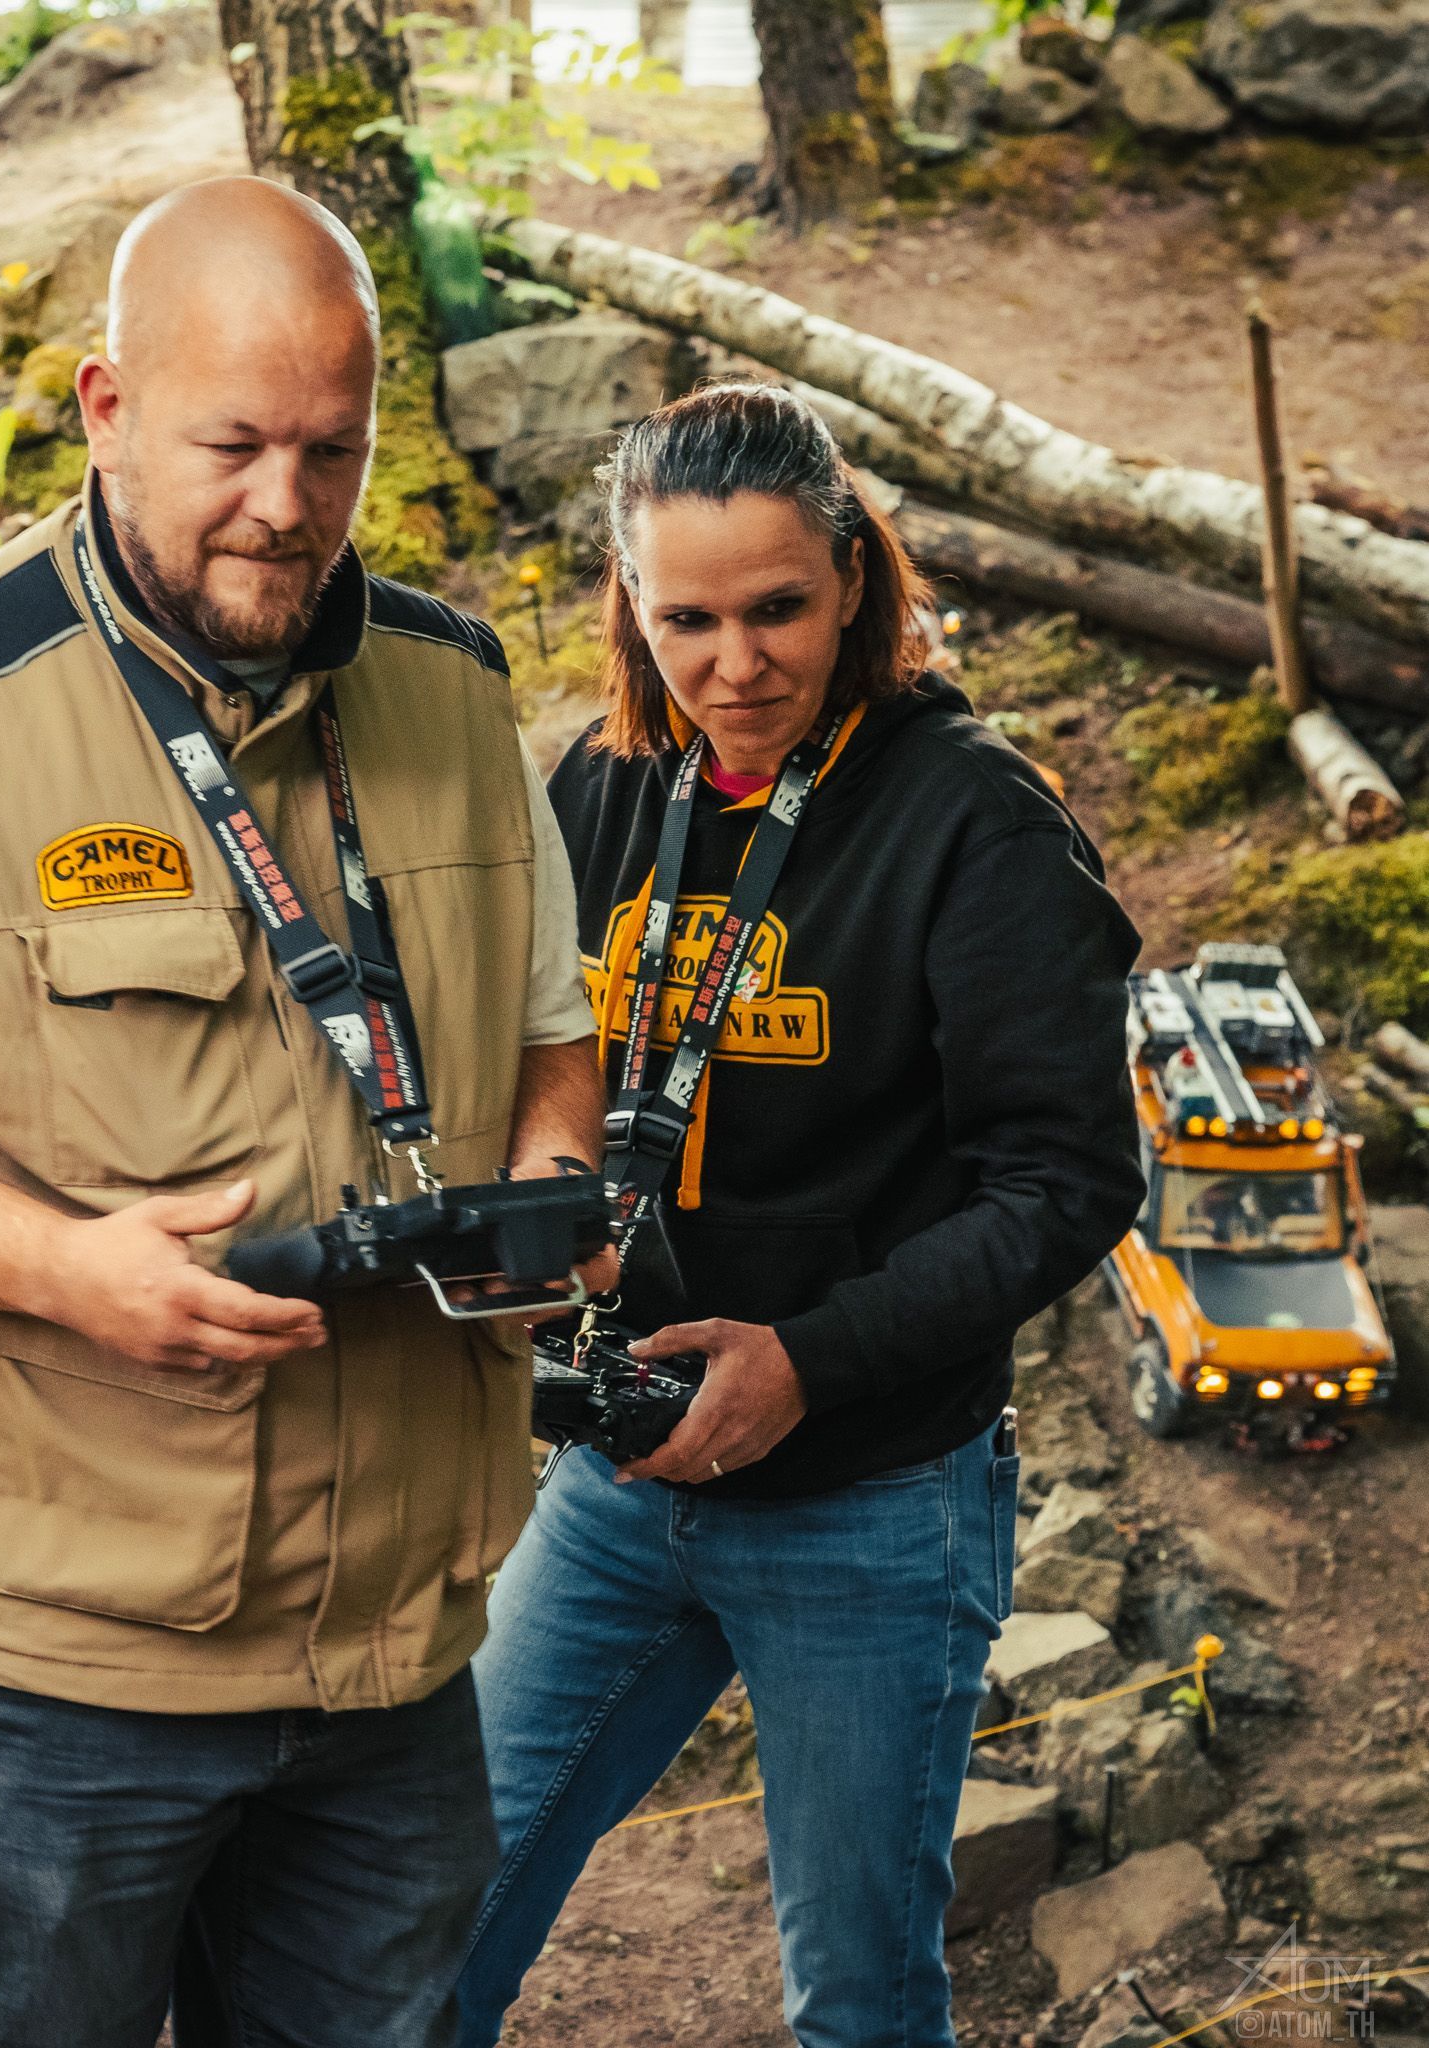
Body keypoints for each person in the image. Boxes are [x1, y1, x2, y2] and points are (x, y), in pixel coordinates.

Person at [0, 176, 613, 2048]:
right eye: (231, 446)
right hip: (61, 1654)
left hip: (398, 1638)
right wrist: (65, 1270)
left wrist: (546, 1182)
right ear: (107, 409)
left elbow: (545, 1033)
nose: (286, 504)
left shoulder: (453, 690)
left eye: (332, 451)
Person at [455, 382, 1145, 2048]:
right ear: (631, 603)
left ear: (852, 578)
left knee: (859, 2002)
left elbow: (1067, 1182)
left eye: (776, 609)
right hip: (619, 1474)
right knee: (422, 1923)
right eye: (685, 620)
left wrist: (808, 1361)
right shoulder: (601, 785)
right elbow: (544, 1070)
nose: (734, 667)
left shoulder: (976, 820)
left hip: (871, 1498)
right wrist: (548, 1218)